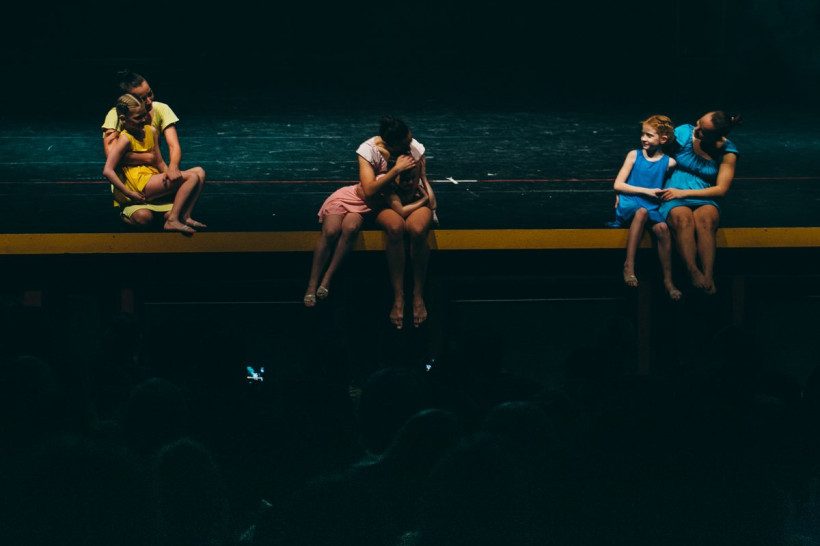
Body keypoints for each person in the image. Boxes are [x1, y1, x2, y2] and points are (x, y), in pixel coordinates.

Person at [359, 116, 436, 329]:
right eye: (406, 142)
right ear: (392, 145)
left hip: (412, 199)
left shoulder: (415, 148)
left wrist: (422, 197)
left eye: (410, 139)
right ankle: (398, 296)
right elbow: (369, 190)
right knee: (395, 228)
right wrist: (395, 170)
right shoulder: (368, 151)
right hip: (383, 201)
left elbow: (418, 186)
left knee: (417, 230)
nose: (411, 144)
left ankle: (418, 294)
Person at [657, 111, 742, 295]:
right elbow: (653, 156)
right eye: (698, 123)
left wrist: (684, 193)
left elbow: (721, 189)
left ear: (716, 136)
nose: (696, 129)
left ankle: (709, 275)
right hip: (673, 192)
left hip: (702, 194)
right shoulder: (683, 133)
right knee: (683, 220)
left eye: (703, 130)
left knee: (706, 221)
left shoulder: (728, 151)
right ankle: (693, 270)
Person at [102, 94, 206, 234]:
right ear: (123, 119)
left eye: (144, 115)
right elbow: (107, 170)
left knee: (199, 172)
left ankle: (185, 216)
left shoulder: (151, 131)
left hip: (152, 178)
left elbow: (159, 161)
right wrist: (129, 193)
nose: (143, 119)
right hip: (138, 184)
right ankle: (172, 220)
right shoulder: (125, 139)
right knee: (191, 177)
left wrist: (169, 175)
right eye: (138, 118)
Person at [608, 115, 681, 301]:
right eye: (643, 134)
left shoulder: (669, 163)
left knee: (663, 229)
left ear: (662, 139)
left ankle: (668, 280)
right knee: (641, 212)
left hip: (651, 205)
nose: (643, 139)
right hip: (631, 201)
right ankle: (629, 266)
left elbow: (666, 188)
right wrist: (646, 191)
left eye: (649, 135)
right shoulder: (634, 155)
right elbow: (618, 184)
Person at [101, 70, 187, 227]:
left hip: (153, 175)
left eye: (150, 94)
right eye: (142, 98)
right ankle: (128, 211)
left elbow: (173, 145)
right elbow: (112, 155)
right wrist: (149, 157)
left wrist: (173, 167)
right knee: (144, 219)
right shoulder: (116, 114)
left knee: (175, 210)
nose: (148, 100)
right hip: (129, 181)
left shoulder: (161, 109)